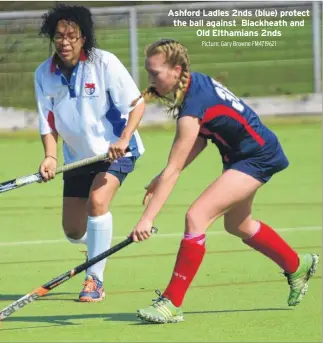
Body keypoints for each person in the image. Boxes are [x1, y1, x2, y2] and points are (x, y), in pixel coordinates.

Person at [130, 39, 319, 323]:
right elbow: (199, 142)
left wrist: (147, 218)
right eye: (148, 72)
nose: (151, 79)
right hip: (243, 155)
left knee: (196, 216)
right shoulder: (195, 83)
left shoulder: (192, 107)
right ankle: (297, 265)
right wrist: (162, 175)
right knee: (238, 225)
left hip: (257, 156)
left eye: (155, 72)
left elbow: (175, 169)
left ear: (176, 69)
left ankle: (171, 303)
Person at [35, 5, 145, 302]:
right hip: (78, 157)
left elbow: (137, 104)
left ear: (84, 38)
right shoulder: (44, 74)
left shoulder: (104, 63)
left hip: (115, 151)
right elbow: (47, 120)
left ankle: (94, 279)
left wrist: (123, 139)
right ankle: (99, 243)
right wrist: (50, 156)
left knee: (98, 201)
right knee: (72, 230)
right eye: (59, 35)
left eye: (72, 35)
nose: (65, 41)